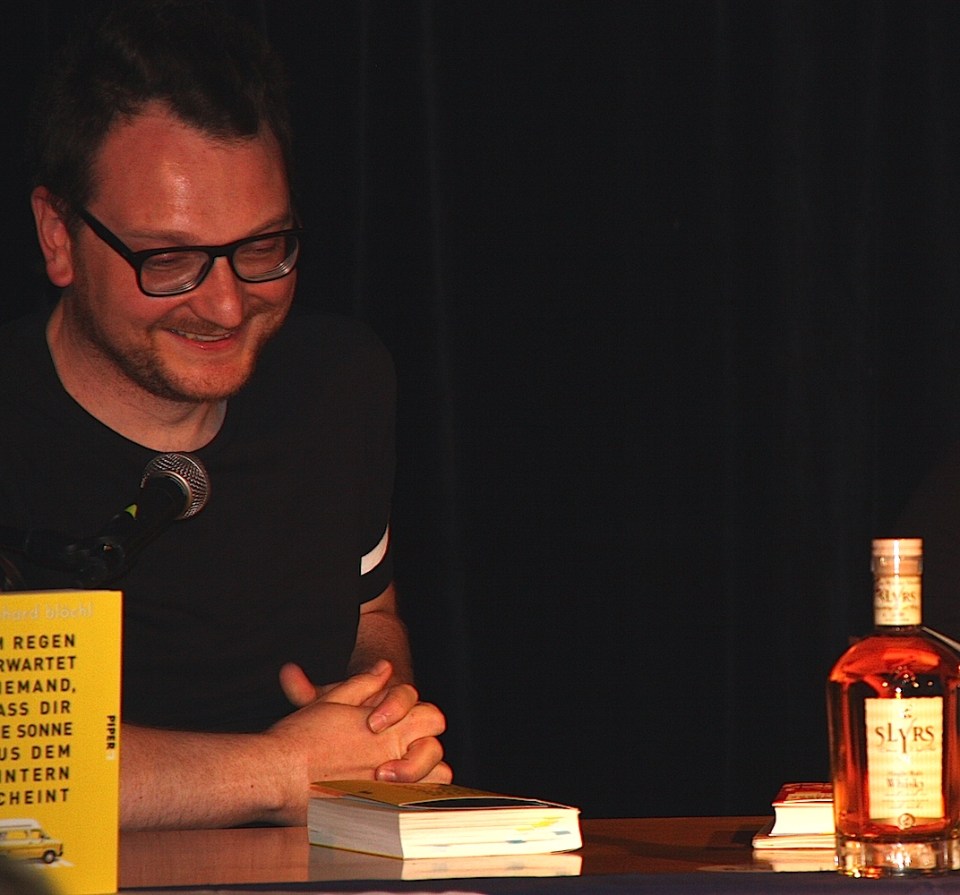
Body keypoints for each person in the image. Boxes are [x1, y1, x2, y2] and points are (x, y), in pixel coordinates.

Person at [0, 0, 450, 830]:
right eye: (170, 259)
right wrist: (284, 768)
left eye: (262, 248)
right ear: (58, 236)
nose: (227, 304)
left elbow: (371, 614)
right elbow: (19, 771)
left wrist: (377, 721)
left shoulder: (341, 385)